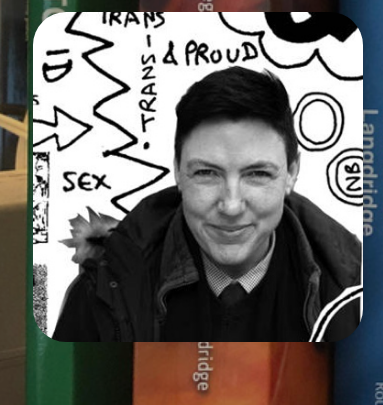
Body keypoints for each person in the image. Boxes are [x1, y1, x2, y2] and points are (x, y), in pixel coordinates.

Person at [52, 65, 361, 342]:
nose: (231, 206)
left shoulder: (357, 290)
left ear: (292, 172)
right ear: (177, 171)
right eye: (206, 173)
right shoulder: (104, 289)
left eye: (257, 174)